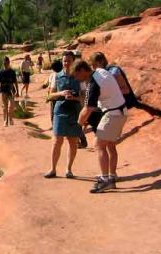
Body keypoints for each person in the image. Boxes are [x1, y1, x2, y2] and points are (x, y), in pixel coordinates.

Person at [74, 59, 128, 193]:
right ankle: (112, 176)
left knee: (98, 144)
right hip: (120, 111)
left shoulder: (93, 83)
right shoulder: (100, 71)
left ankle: (105, 181)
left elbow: (87, 109)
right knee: (110, 144)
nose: (76, 79)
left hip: (113, 114)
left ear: (82, 70)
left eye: (76, 75)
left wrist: (77, 128)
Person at [43, 51, 82, 179]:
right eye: (64, 61)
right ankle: (53, 169)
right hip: (60, 110)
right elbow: (49, 95)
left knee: (72, 141)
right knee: (57, 141)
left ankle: (69, 169)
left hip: (75, 111)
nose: (66, 63)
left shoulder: (79, 76)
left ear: (73, 61)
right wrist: (61, 94)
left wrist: (75, 98)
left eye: (68, 61)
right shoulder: (56, 76)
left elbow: (84, 96)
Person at [0, 56, 18, 127]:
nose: (5, 63)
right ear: (3, 63)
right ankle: (5, 121)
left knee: (11, 106)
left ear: (9, 62)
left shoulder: (12, 72)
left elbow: (15, 81)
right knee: (4, 107)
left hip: (11, 89)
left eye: (7, 62)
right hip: (3, 90)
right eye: (4, 62)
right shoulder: (0, 72)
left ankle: (10, 119)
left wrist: (17, 91)